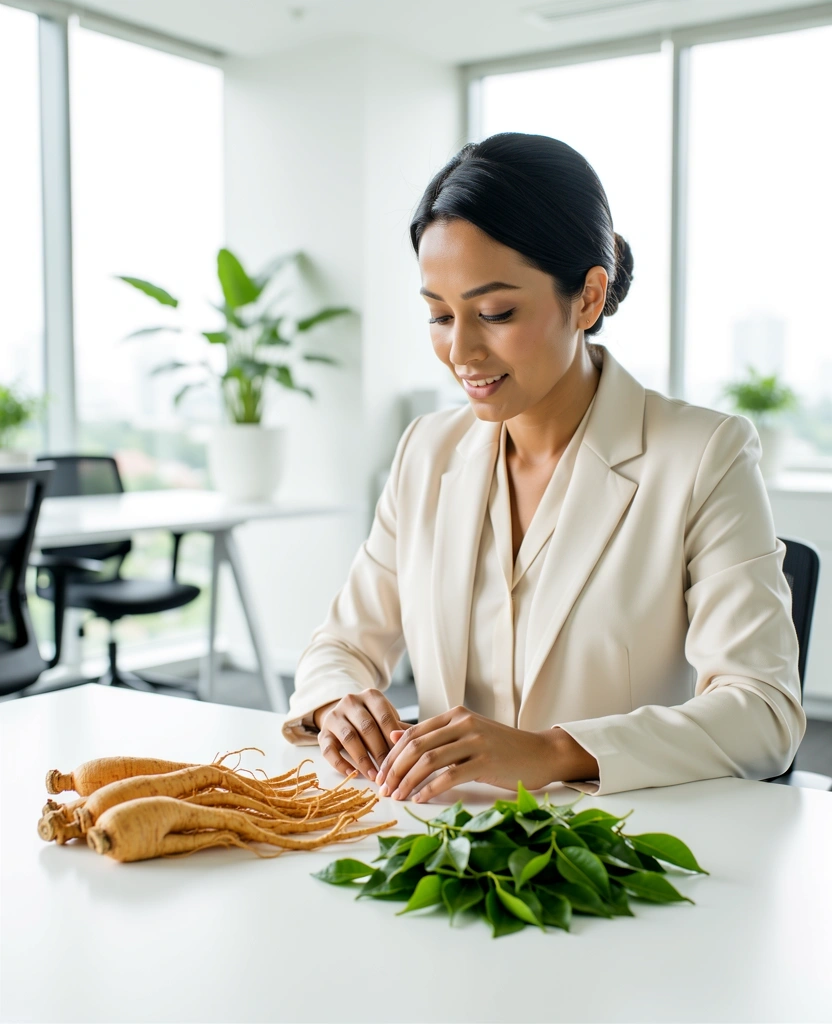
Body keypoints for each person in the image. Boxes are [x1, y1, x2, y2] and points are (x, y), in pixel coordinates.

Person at [282, 132, 805, 803]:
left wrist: (554, 753)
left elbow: (764, 711)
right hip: (445, 843)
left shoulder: (703, 454)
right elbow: (341, 645)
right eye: (440, 316)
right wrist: (336, 703)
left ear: (588, 297)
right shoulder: (426, 451)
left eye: (496, 313)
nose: (461, 351)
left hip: (619, 847)